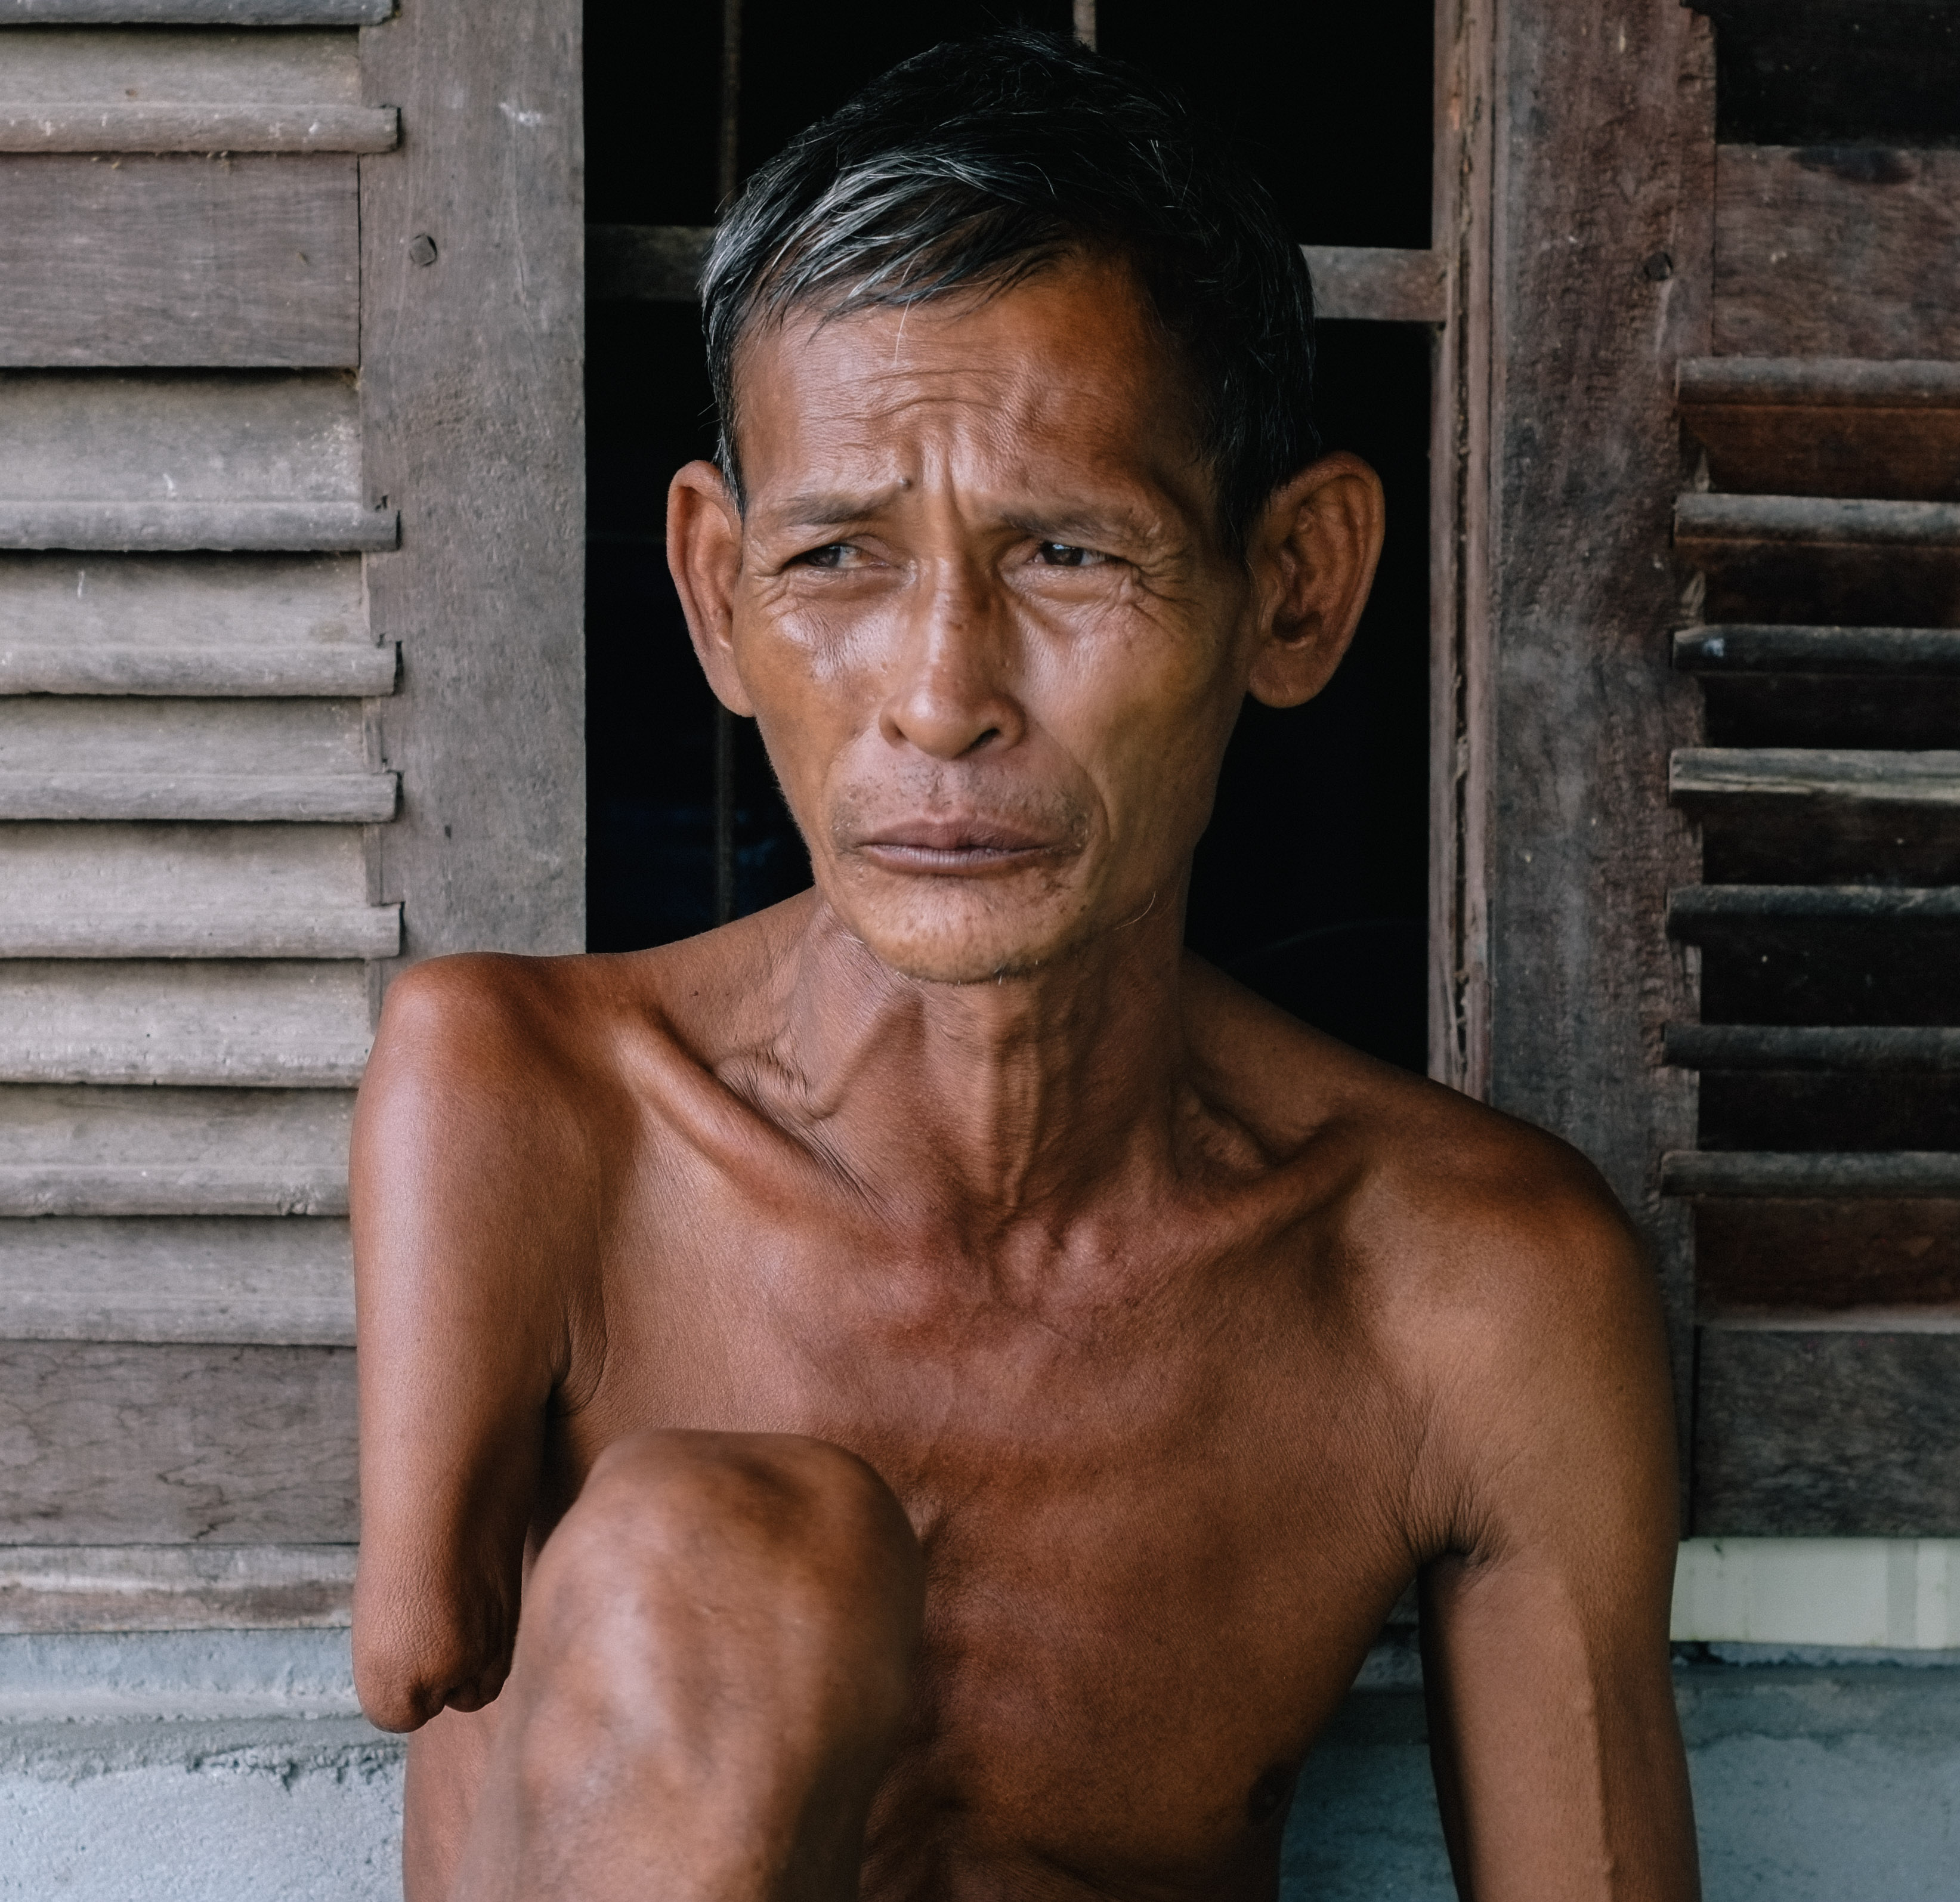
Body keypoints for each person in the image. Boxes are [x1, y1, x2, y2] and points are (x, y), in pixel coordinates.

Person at [349, 29, 1696, 1901]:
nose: (940, 701)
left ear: (1294, 586)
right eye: (836, 560)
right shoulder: (530, 1100)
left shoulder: (1466, 1293)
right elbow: (425, 1677)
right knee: (721, 1553)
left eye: (1066, 553)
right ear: (713, 592)